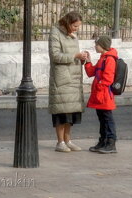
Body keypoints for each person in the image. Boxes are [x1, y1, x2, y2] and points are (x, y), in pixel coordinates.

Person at [48, 11, 88, 153]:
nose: (77, 29)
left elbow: (73, 55)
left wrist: (81, 58)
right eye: (75, 26)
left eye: (78, 26)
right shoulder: (55, 33)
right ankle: (60, 142)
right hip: (62, 78)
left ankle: (68, 140)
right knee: (61, 112)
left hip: (74, 77)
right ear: (68, 22)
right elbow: (55, 55)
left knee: (71, 112)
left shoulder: (73, 35)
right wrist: (74, 55)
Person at [85, 35, 118, 154]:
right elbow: (91, 72)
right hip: (100, 94)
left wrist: (98, 86)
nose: (95, 46)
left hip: (104, 95)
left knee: (107, 118)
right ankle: (103, 141)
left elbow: (108, 79)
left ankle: (110, 142)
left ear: (102, 46)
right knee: (102, 118)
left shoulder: (109, 59)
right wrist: (88, 61)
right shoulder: (103, 58)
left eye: (97, 44)